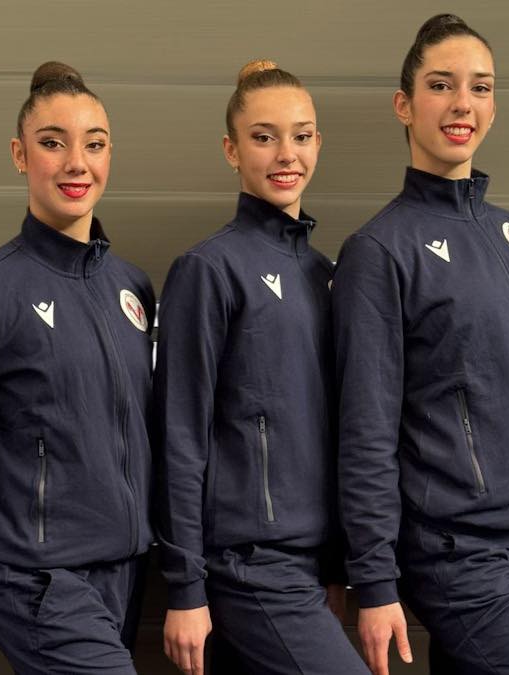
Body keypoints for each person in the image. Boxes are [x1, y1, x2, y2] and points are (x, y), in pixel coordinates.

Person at [333, 14, 509, 675]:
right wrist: (373, 579)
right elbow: (365, 430)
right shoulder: (380, 251)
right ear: (405, 104)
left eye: (480, 87)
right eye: (442, 85)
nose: (463, 104)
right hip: (460, 555)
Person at [0, 61, 156, 674]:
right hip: (36, 577)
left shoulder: (132, 287)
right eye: (53, 143)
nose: (77, 163)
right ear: (20, 155)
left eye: (94, 145)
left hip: (124, 570)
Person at [154, 59, 369, 675]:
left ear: (318, 143)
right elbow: (180, 435)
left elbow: (334, 431)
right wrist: (185, 586)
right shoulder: (208, 269)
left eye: (301, 136)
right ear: (231, 148)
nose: (286, 154)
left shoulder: (327, 275)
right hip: (245, 567)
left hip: (306, 566)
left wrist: (333, 567)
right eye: (263, 136)